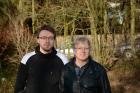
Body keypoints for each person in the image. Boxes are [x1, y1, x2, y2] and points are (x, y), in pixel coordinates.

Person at [14, 25, 68, 93]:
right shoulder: (27, 58)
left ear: (54, 40)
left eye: (50, 38)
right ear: (38, 40)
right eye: (44, 38)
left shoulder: (63, 59)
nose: (47, 41)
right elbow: (18, 87)